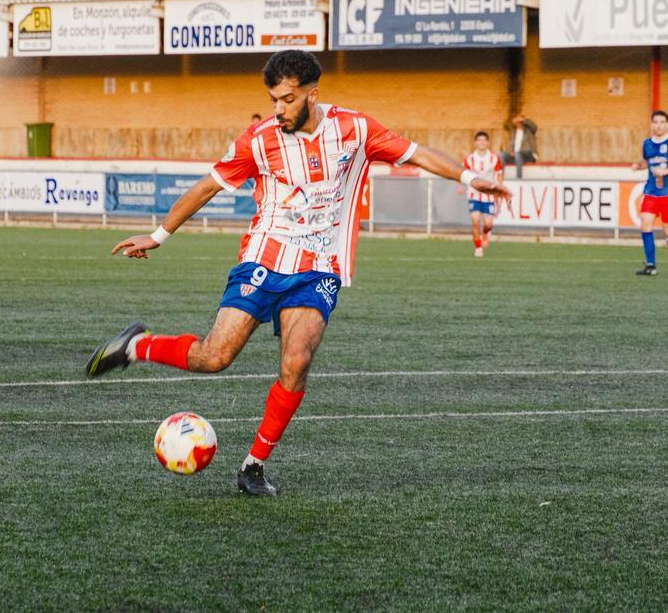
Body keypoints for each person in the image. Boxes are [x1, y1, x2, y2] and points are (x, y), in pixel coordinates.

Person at [86, 50, 511, 497]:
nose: (278, 109)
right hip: (263, 259)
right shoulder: (258, 139)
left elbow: (417, 153)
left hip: (319, 267)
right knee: (215, 357)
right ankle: (137, 346)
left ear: (313, 92)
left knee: (297, 361)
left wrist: (468, 177)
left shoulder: (354, 129)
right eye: (273, 99)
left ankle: (253, 465)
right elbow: (209, 184)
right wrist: (158, 235)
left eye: (287, 99)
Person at [632, 110, 668, 275]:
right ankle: (651, 266)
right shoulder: (647, 144)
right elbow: (648, 163)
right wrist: (639, 166)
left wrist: (667, 171)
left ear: (667, 125)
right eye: (655, 122)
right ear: (651, 125)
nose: (658, 125)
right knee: (645, 224)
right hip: (651, 191)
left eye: (661, 122)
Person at [463, 131, 503, 257]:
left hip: (488, 195)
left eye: (484, 140)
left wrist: (499, 187)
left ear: (488, 142)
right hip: (473, 194)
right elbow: (462, 173)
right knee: (475, 221)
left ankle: (485, 233)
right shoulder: (469, 159)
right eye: (479, 140)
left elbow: (499, 173)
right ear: (475, 143)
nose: (481, 142)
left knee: (488, 224)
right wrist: (460, 185)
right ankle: (478, 247)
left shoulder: (494, 158)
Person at [502, 115, 537, 179]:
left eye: (520, 122)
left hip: (528, 155)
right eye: (517, 122)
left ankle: (519, 179)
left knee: (517, 154)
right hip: (517, 157)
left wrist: (523, 119)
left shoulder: (529, 131)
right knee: (501, 154)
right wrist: (511, 151)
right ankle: (501, 177)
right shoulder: (514, 132)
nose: (518, 124)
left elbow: (534, 126)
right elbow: (511, 145)